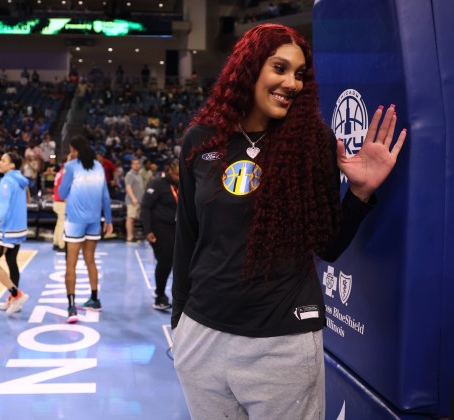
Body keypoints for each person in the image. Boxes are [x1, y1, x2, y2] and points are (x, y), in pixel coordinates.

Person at [171, 24, 407, 419]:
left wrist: (360, 193)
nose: (291, 83)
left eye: (299, 74)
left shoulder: (312, 143)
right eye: (279, 68)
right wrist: (180, 326)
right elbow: (188, 237)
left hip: (282, 344)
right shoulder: (202, 139)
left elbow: (328, 245)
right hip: (203, 337)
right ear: (249, 68)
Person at [58, 135, 113, 324]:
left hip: (75, 221)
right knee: (90, 260)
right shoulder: (98, 166)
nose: (70, 153)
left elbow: (61, 193)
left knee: (70, 264)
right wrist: (109, 220)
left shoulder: (71, 166)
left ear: (76, 151)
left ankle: (71, 307)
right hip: (94, 220)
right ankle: (95, 299)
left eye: (71, 150)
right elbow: (106, 196)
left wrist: (66, 167)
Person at [0, 152, 30, 314]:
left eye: (3, 160)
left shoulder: (6, 181)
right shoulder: (21, 180)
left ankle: (16, 294)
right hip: (19, 229)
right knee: (12, 262)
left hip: (7, 228)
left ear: (12, 165)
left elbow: (3, 206)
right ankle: (14, 301)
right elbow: (28, 200)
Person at [141, 159, 179, 311]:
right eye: (176, 174)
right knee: (165, 260)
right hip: (159, 227)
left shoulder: (183, 184)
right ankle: (160, 295)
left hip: (177, 228)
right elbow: (145, 207)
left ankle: (180, 296)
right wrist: (148, 230)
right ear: (169, 171)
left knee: (181, 263)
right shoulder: (157, 183)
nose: (178, 177)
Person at [124, 157, 144, 243]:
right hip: (132, 201)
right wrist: (133, 198)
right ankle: (129, 237)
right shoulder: (130, 174)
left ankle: (132, 236)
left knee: (133, 219)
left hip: (138, 201)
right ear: (131, 165)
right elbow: (128, 187)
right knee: (130, 218)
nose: (136, 165)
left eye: (137, 163)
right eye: (134, 164)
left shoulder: (138, 174)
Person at [52, 158, 66, 252]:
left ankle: (56, 242)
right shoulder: (64, 173)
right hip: (61, 202)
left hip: (56, 201)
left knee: (59, 223)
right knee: (62, 224)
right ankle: (61, 245)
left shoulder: (60, 172)